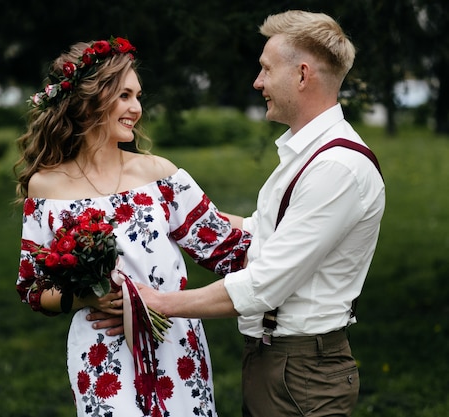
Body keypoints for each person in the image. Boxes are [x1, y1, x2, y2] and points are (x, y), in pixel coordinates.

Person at [135, 10, 386, 417]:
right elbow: (262, 230)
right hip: (282, 364)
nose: (258, 82)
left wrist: (160, 303)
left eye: (266, 69)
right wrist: (169, 210)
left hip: (301, 374)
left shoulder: (336, 168)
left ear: (302, 75)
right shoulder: (307, 155)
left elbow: (264, 285)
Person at [14, 37, 252, 416]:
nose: (137, 108)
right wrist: (87, 298)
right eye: (124, 96)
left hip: (174, 342)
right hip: (100, 352)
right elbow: (32, 287)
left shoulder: (159, 174)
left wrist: (294, 226)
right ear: (88, 99)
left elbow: (223, 242)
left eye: (138, 96)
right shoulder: (47, 187)